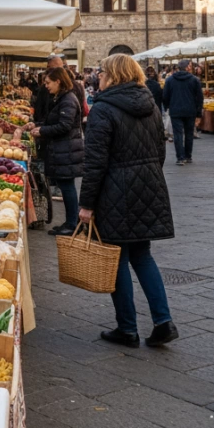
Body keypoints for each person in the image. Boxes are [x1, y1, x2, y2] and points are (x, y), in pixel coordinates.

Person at [78, 54, 177, 347]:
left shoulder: (103, 109)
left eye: (102, 72)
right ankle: (163, 321)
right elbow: (160, 153)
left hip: (114, 191)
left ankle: (127, 328)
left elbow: (95, 162)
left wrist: (87, 205)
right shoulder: (150, 105)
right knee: (142, 255)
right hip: (148, 186)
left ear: (112, 75)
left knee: (116, 258)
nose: (99, 77)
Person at [27, 67, 83, 236]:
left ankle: (72, 224)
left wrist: (42, 131)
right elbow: (53, 120)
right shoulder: (60, 98)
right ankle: (69, 221)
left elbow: (64, 126)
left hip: (66, 149)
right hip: (62, 149)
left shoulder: (68, 100)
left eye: (48, 82)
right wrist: (37, 125)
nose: (46, 86)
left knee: (67, 187)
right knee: (66, 186)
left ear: (58, 81)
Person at [162, 59, 203, 166]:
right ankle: (188, 156)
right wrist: (199, 113)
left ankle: (180, 158)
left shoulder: (170, 80)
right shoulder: (194, 80)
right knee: (189, 133)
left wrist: (167, 106)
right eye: (190, 65)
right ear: (187, 67)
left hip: (175, 110)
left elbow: (165, 96)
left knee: (178, 134)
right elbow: (199, 98)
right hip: (190, 110)